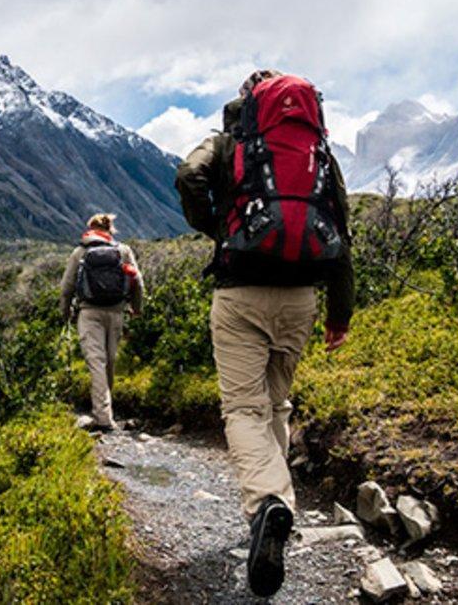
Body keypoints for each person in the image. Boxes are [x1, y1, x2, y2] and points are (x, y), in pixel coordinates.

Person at [175, 70, 354, 597]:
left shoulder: (231, 142)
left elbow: (189, 176)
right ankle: (275, 507)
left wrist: (217, 228)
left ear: (247, 102)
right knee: (276, 404)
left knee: (243, 409)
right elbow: (341, 230)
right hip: (301, 297)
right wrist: (339, 315)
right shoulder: (316, 152)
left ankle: (268, 505)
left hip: (240, 292)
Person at [59, 213, 144, 432]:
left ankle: (103, 417)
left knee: (96, 362)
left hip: (89, 313)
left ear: (90, 229)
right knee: (110, 361)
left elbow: (66, 288)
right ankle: (106, 411)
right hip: (116, 312)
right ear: (110, 229)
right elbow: (137, 281)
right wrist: (136, 308)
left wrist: (65, 313)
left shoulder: (80, 252)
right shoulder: (122, 250)